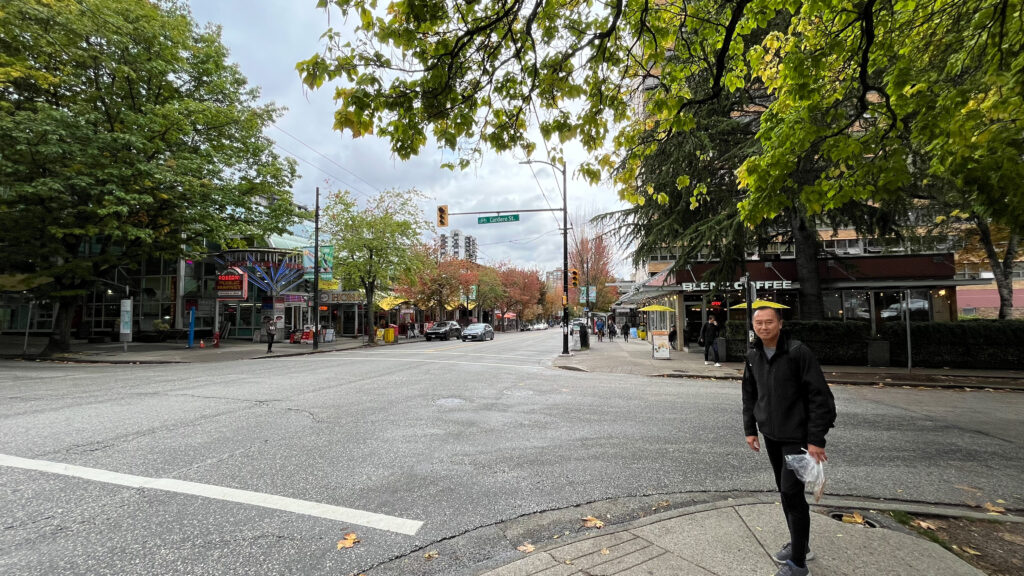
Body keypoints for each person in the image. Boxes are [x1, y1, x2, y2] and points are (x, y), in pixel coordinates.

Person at [742, 307, 836, 576]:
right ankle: (800, 545)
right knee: (786, 493)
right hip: (771, 436)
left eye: (769, 322)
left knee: (792, 495)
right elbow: (749, 394)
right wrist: (751, 429)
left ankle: (798, 563)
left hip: (797, 438)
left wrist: (816, 439)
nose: (763, 327)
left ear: (780, 324)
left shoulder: (797, 353)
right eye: (758, 323)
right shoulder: (753, 355)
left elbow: (820, 398)